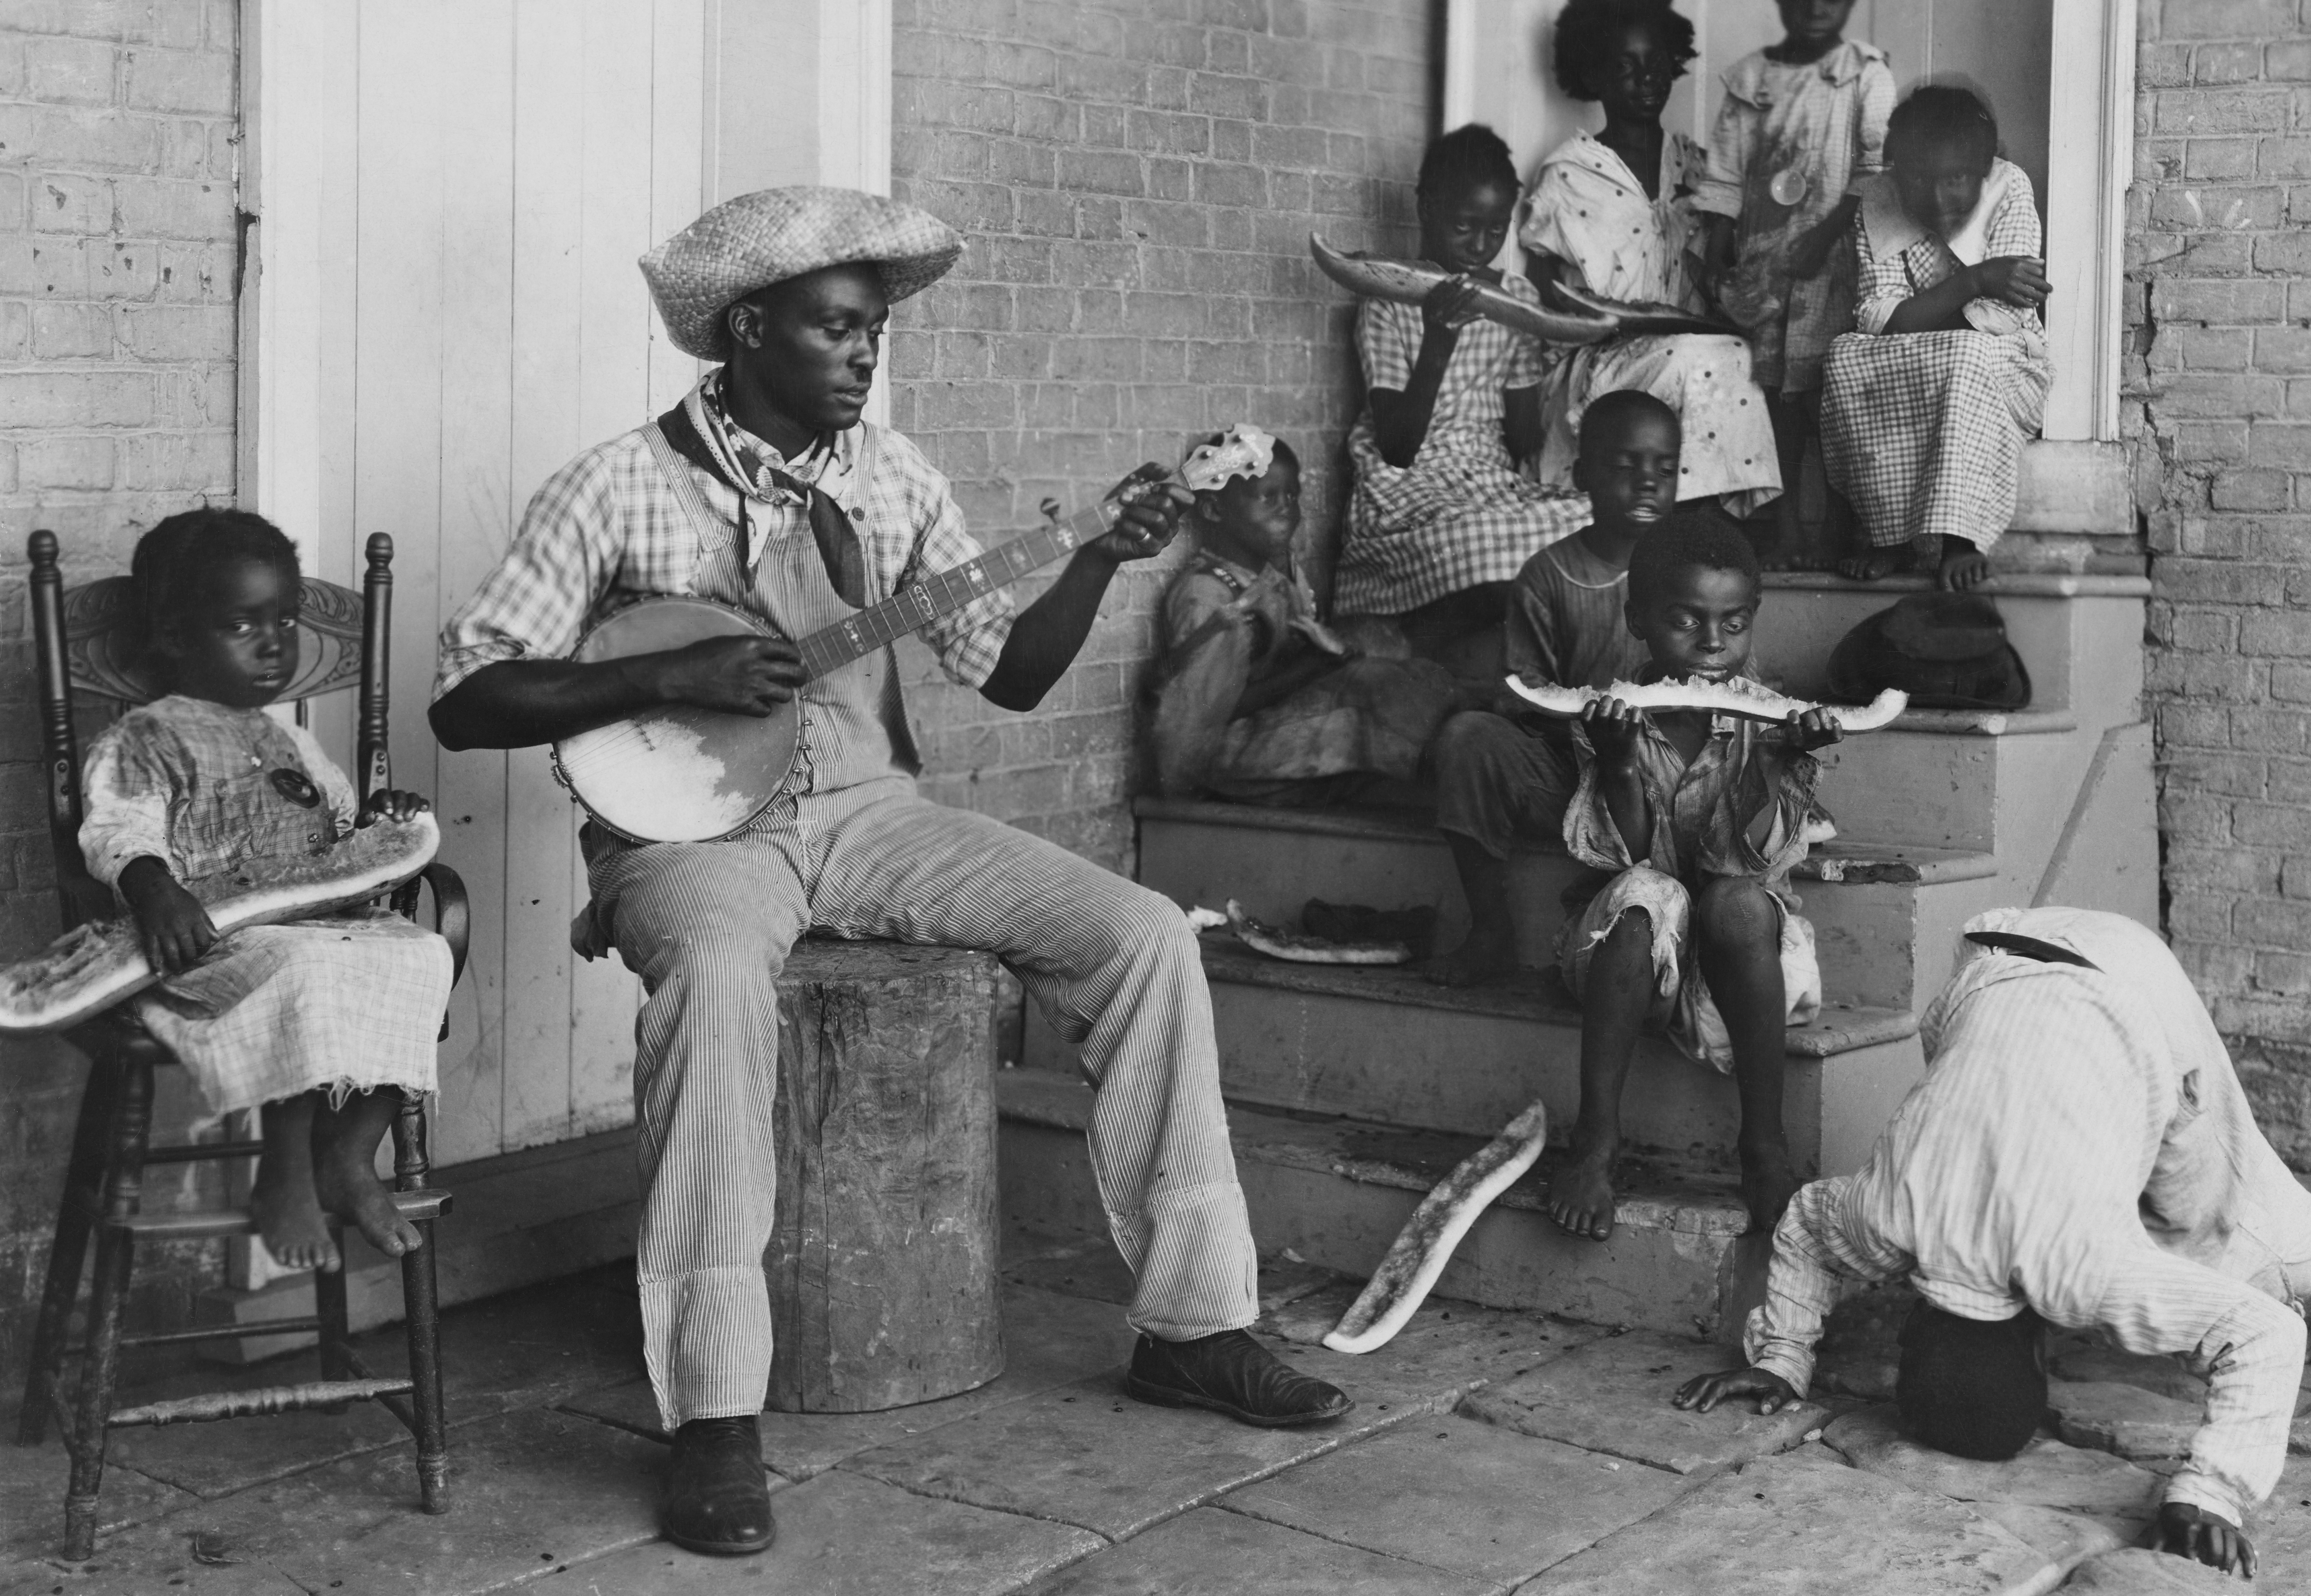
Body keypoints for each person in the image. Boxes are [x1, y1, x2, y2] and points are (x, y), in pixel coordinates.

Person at [428, 187, 1349, 1559]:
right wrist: (658, 669)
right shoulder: (615, 484)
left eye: (874, 332)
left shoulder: (894, 474)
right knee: (724, 977)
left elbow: (1014, 673)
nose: (864, 355)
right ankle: (715, 1412)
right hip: (696, 838)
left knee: (1143, 929)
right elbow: (465, 698)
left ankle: (1195, 1320)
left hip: (868, 806)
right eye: (835, 327)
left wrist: (1096, 555)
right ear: (747, 328)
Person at [1671, 908, 2311, 1580]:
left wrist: (2213, 1494)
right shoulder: (1886, 1219)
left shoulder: (2081, 1274)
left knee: (2273, 1268)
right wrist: (1781, 1358)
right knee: (2130, 1198)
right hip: (1990, 959)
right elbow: (1806, 1219)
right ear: (1912, 1329)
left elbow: (2271, 1335)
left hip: (2135, 989)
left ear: (2038, 1344)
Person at [80, 508, 453, 1273]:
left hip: (315, 923)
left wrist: (378, 823)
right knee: (302, 970)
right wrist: (154, 890)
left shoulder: (289, 740)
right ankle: (285, 1163)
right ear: (177, 638)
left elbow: (339, 827)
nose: (275, 641)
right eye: (242, 625)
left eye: (283, 619)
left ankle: (348, 1156)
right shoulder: (144, 738)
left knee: (426, 954)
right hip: (207, 938)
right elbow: (118, 831)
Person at [1549, 509, 1840, 1241]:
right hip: (1630, 959)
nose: (1713, 644)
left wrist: (1773, 767)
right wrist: (1616, 762)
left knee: (1740, 903)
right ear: (1638, 619)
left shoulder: (1774, 720)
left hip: (1737, 969)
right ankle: (1597, 1143)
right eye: (1686, 621)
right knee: (1650, 894)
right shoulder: (1608, 716)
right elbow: (1628, 861)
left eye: (1734, 624)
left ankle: (1763, 1145)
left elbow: (1744, 867)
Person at [1425, 392, 1678, 986]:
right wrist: (1583, 718)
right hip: (1570, 776)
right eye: (1625, 466)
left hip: (1666, 783)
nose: (1647, 483)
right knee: (1468, 737)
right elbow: (1524, 689)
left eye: (1663, 470)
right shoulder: (1548, 573)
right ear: (1583, 474)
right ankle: (1489, 930)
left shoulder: (1688, 570)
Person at [1333, 124, 1587, 680]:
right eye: (1463, 226)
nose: (1478, 245)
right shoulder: (1387, 301)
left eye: (1495, 229)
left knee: (1587, 521)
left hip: (1484, 478)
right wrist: (1438, 340)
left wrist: (1547, 352)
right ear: (1426, 209)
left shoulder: (1513, 297)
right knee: (1478, 547)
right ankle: (1404, 647)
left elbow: (1522, 442)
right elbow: (1397, 447)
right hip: (1409, 484)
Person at [1520, 0, 1780, 521]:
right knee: (1702, 359)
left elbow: (1724, 271)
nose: (1645, 80)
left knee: (1739, 356)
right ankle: (1699, 525)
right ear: (1592, 78)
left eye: (1656, 63)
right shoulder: (1568, 173)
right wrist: (1588, 316)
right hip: (1598, 364)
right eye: (1625, 67)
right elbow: (1539, 291)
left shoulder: (1699, 168)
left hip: (1690, 345)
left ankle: (1713, 520)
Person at [1693, 0, 1896, 569]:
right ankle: (1782, 530)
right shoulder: (1751, 80)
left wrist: (1826, 238)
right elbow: (1724, 171)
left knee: (1824, 403)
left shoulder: (1864, 77)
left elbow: (1874, 172)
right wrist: (1719, 241)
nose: (1814, 7)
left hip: (1833, 264)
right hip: (1765, 268)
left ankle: (1840, 527)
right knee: (1770, 402)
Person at [1821, 83, 2052, 590]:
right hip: (1915, 352)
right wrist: (1972, 278)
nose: (1936, 196)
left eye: (1956, 179)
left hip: (2002, 365)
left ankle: (1959, 540)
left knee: (1965, 353)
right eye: (1918, 178)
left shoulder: (2009, 189)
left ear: (1985, 168)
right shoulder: (1878, 200)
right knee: (1843, 356)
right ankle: (1889, 536)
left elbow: (1999, 317)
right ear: (1893, 169)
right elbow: (1875, 314)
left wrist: (1918, 318)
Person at [1149, 426, 1456, 804]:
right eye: (1267, 496)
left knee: (1392, 656)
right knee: (1371, 683)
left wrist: (1330, 656)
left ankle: (1458, 754)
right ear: (1213, 509)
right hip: (1223, 759)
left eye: (1292, 495)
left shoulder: (1276, 572)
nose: (1286, 508)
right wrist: (1318, 663)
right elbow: (1202, 723)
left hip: (1271, 730)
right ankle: (1455, 768)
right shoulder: (1208, 595)